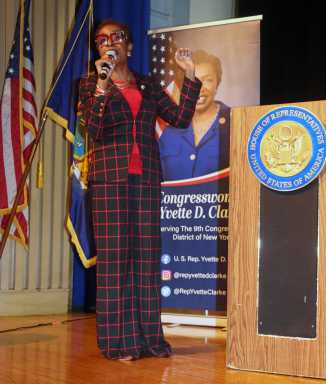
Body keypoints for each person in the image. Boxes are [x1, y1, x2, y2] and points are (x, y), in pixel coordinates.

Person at [77, 19, 201, 361]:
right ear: (98, 50)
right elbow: (94, 127)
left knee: (146, 261)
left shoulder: (146, 85)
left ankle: (149, 340)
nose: (108, 43)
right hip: (110, 182)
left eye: (115, 37)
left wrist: (188, 75)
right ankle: (119, 343)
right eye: (101, 40)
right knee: (116, 262)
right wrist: (102, 84)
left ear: (129, 47)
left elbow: (180, 118)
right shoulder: (89, 85)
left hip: (146, 180)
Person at [159, 49, 230, 181]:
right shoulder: (169, 133)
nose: (200, 88)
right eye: (194, 81)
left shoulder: (235, 123)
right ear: (184, 87)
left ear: (217, 84)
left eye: (207, 80)